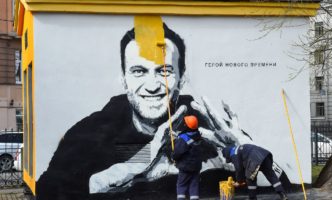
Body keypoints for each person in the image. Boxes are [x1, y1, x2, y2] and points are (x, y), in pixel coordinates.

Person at [36, 16, 285, 200]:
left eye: (164, 71)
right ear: (123, 79)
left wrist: (244, 146)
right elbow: (48, 190)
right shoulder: (93, 130)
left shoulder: (208, 123)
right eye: (138, 71)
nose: (154, 85)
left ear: (181, 78)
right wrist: (138, 162)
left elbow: (282, 181)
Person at [222, 144, 288, 200]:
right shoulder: (240, 148)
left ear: (227, 154)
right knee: (271, 175)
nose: (230, 160)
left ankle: (252, 198)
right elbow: (243, 166)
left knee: (250, 179)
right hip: (265, 155)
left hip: (254, 159)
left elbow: (239, 169)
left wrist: (239, 182)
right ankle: (283, 194)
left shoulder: (234, 153)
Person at [172, 115, 203, 200]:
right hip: (196, 167)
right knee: (194, 186)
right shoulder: (199, 136)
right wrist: (177, 137)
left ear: (186, 125)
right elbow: (189, 141)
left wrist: (173, 157)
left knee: (181, 185)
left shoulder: (183, 138)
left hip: (185, 167)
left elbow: (177, 153)